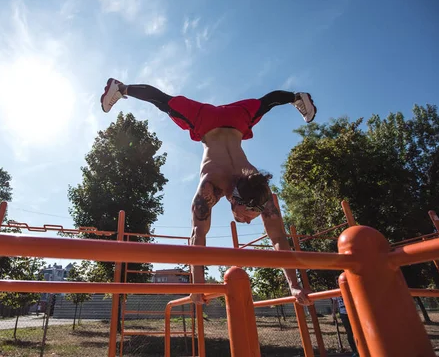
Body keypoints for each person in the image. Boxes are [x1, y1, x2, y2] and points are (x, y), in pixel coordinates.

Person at [100, 78, 317, 306]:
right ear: (235, 199)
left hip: (236, 119)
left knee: (265, 102)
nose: (247, 222)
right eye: (247, 215)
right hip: (206, 121)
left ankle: (296, 97)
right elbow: (198, 235)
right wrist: (197, 287)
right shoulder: (210, 185)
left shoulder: (257, 187)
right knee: (164, 102)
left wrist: (294, 285)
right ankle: (121, 88)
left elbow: (277, 238)